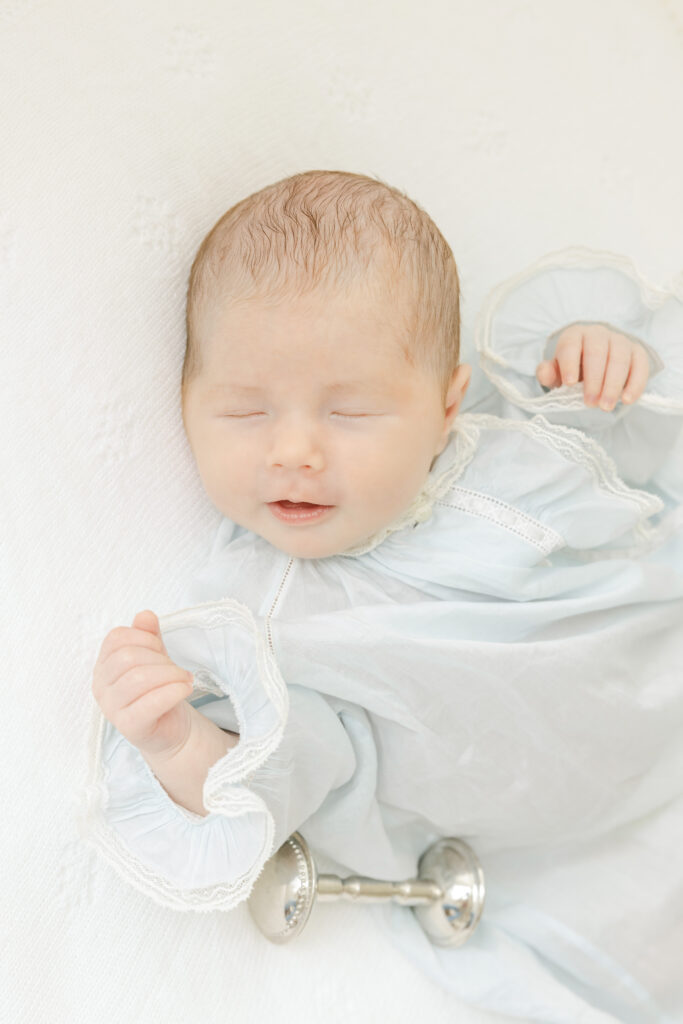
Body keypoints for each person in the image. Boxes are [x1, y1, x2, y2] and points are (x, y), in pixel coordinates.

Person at [80, 170, 683, 1024]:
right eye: (245, 412)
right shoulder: (255, 621)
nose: (293, 450)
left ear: (444, 409)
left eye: (352, 413)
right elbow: (284, 774)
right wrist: (177, 740)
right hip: (565, 844)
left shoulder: (505, 460)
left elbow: (637, 479)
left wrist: (608, 365)